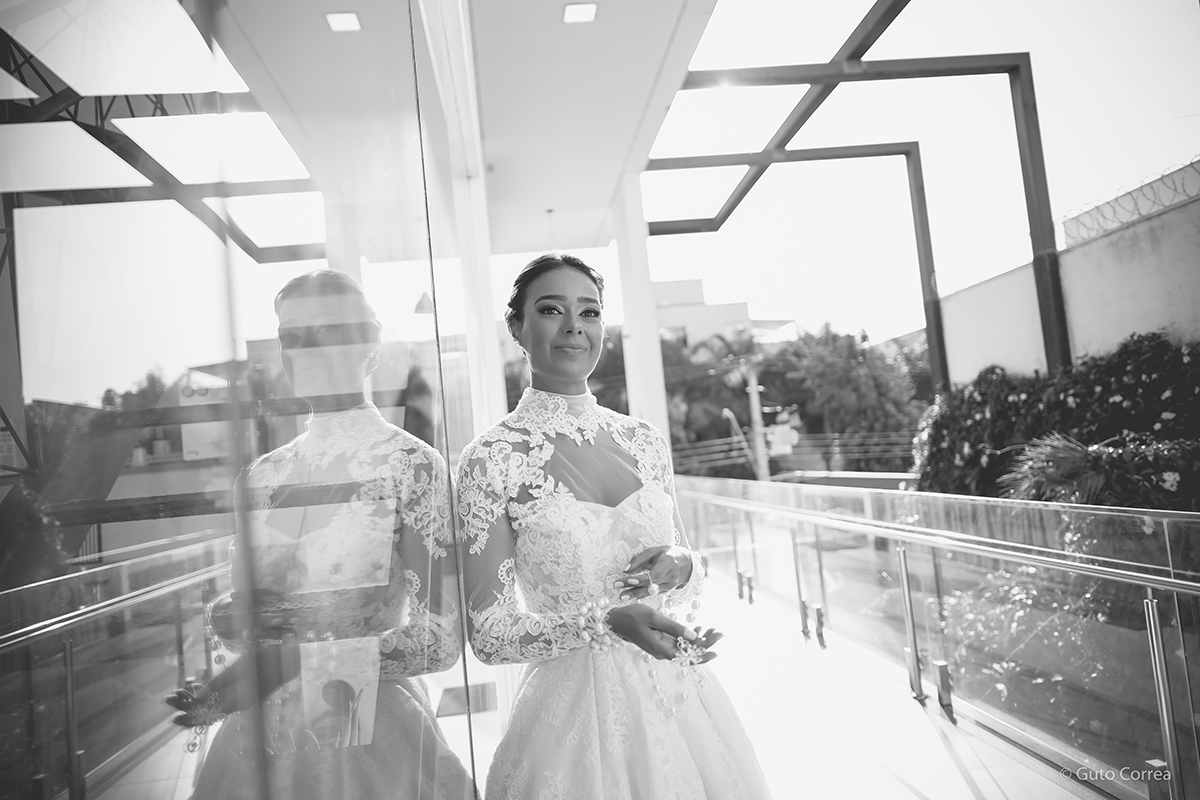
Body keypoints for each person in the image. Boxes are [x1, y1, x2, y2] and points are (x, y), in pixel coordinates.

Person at [457, 254, 772, 799]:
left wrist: (681, 566)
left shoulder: (644, 440)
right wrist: (604, 624)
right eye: (551, 310)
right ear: (516, 328)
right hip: (569, 723)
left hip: (679, 699)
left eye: (590, 312)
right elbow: (489, 635)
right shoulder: (491, 459)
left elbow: (686, 567)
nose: (574, 326)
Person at [166, 270, 475, 799]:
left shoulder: (410, 465)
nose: (304, 349)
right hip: (260, 734)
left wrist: (294, 661)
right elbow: (264, 619)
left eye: (326, 330)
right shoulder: (262, 476)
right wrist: (229, 665)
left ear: (370, 347)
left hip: (364, 717)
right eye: (291, 336)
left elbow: (440, 641)